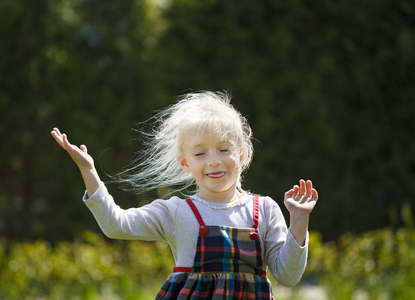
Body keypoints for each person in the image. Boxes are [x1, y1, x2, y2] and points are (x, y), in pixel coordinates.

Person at [51, 91, 319, 299]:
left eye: (224, 149)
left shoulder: (266, 209)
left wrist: (298, 219)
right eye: (200, 153)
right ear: (185, 163)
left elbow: (288, 275)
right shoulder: (177, 211)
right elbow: (115, 224)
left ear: (243, 153)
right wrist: (89, 171)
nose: (213, 161)